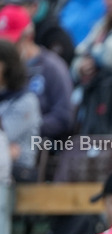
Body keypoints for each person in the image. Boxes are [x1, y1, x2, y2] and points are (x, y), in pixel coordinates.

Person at [3, 4, 73, 140]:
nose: (8, 49)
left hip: (40, 146)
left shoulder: (52, 67)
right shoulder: (5, 69)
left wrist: (28, 125)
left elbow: (63, 117)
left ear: (28, 36)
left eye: (13, 42)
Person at [0, 39, 41, 181]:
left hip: (20, 170)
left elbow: (4, 137)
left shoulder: (26, 101)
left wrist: (5, 151)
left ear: (6, 66)